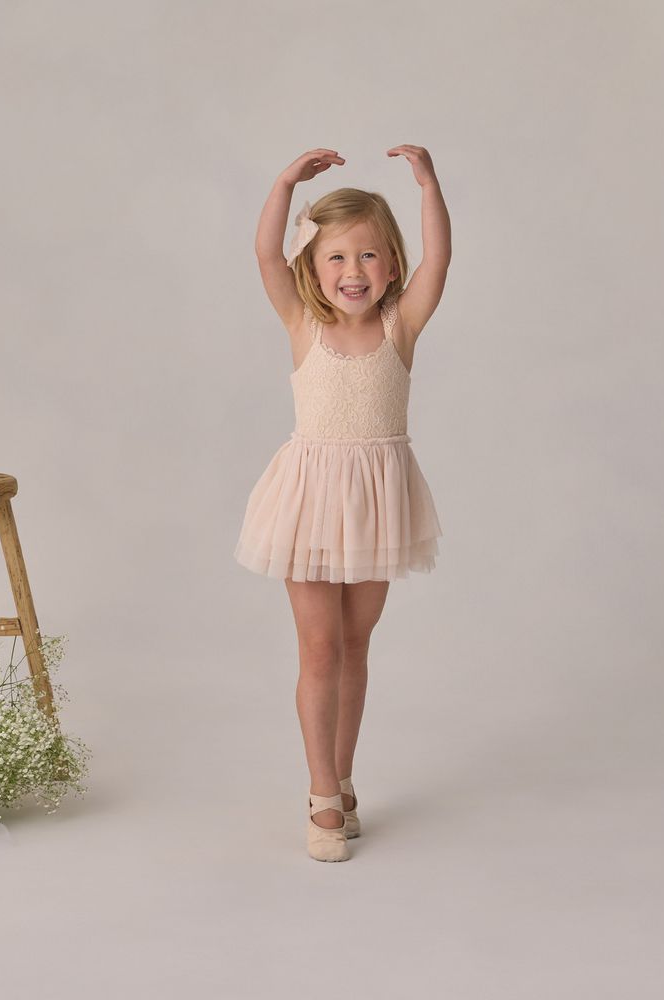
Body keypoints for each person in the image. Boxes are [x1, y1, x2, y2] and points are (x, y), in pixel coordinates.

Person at [234, 146, 452, 862]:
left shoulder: (400, 326)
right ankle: (321, 791)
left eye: (368, 255)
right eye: (336, 256)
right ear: (312, 264)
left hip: (376, 508)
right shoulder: (303, 323)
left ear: (390, 265)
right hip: (308, 503)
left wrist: (428, 186)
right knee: (320, 646)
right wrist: (283, 184)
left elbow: (440, 260)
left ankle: (346, 775)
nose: (352, 270)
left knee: (356, 644)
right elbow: (264, 256)